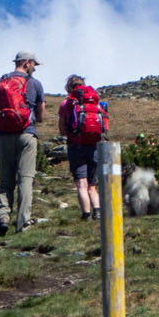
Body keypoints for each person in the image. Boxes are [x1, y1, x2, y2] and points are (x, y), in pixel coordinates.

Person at [0, 50, 46, 235]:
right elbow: (40, 117)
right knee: (25, 179)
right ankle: (23, 223)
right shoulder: (35, 84)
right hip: (26, 134)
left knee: (5, 180)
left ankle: (3, 217)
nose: (35, 69)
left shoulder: (0, 82)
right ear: (27, 63)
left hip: (4, 135)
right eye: (34, 65)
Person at [59, 74, 110, 220]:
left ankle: (86, 214)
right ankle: (98, 211)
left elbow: (62, 129)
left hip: (76, 145)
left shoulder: (67, 103)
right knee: (92, 185)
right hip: (94, 145)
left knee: (81, 183)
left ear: (69, 87)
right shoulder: (95, 103)